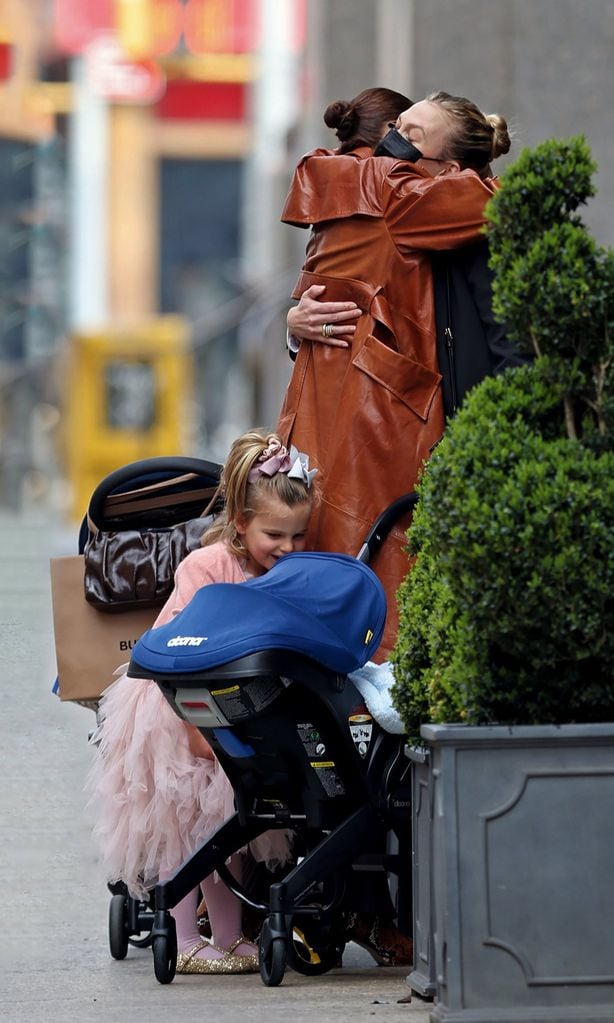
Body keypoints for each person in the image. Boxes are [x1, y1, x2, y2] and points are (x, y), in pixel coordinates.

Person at [277, 89, 511, 658]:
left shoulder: (332, 180)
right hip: (383, 420)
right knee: (380, 566)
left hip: (315, 414)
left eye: (414, 132)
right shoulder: (401, 192)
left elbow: (316, 297)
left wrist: (292, 323)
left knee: (312, 557)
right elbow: (503, 204)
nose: (398, 141)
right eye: (403, 126)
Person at [86, 429, 316, 975]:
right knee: (184, 825)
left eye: (300, 535)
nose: (288, 548)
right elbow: (182, 648)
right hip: (179, 706)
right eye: (275, 534)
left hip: (241, 709)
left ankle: (230, 936)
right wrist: (198, 722)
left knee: (230, 831)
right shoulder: (207, 567)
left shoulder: (287, 571)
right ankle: (185, 935)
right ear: (241, 524)